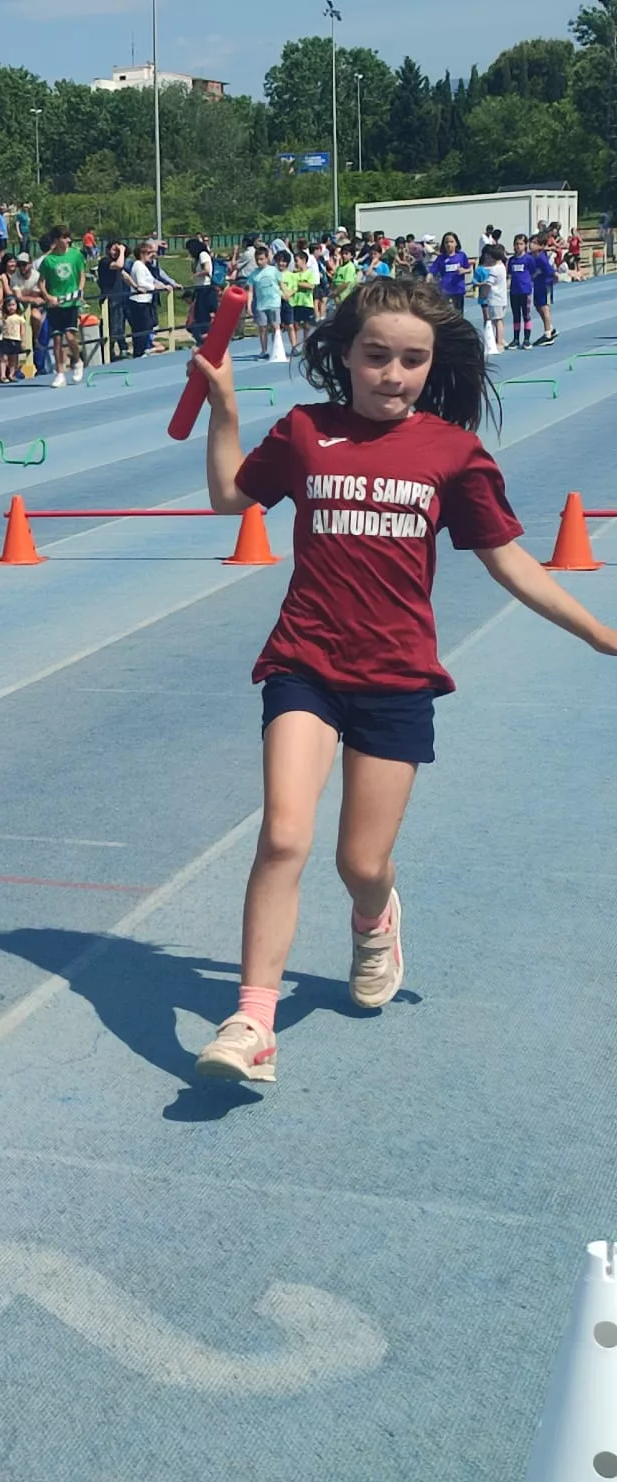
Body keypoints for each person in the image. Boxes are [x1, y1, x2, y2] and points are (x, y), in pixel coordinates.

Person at [186, 275, 617, 1086]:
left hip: (395, 677)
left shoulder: (452, 453)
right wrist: (226, 409)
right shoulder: (308, 432)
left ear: (432, 365)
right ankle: (253, 1021)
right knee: (283, 835)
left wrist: (598, 633)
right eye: (376, 355)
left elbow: (510, 560)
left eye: (412, 360)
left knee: (359, 862)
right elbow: (226, 497)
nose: (393, 373)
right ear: (343, 353)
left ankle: (373, 917)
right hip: (304, 663)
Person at [36, 225, 87, 387]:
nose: (67, 241)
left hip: (71, 302)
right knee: (57, 339)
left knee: (70, 336)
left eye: (68, 238)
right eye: (64, 238)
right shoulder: (48, 260)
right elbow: (41, 282)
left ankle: (77, 361)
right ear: (56, 240)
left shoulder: (75, 255)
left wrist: (79, 290)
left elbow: (81, 275)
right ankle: (60, 373)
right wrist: (48, 296)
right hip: (55, 303)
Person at [248, 245, 283, 361]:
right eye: (257, 259)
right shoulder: (253, 275)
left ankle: (276, 348)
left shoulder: (274, 271)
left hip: (274, 303)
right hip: (261, 305)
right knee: (262, 328)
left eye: (262, 259)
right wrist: (249, 305)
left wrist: (286, 294)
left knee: (275, 326)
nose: (259, 262)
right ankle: (263, 350)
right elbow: (251, 291)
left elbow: (281, 285)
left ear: (267, 258)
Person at [477, 243, 510, 354]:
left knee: (497, 321)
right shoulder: (502, 267)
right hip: (502, 298)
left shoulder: (494, 270)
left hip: (495, 298)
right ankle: (500, 339)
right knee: (498, 320)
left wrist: (483, 294)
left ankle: (499, 342)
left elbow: (489, 284)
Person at [506, 234, 537, 349]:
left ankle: (527, 339)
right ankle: (515, 339)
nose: (518, 246)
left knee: (526, 315)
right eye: (516, 244)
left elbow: (533, 271)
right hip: (514, 291)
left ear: (525, 245)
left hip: (525, 291)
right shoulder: (512, 260)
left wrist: (528, 282)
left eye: (521, 244)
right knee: (516, 315)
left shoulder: (528, 259)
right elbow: (509, 274)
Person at [429, 233, 470, 313]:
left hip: (458, 289)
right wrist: (428, 277)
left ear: (456, 243)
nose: (449, 244)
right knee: (446, 313)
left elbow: (469, 269)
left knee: (458, 314)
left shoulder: (461, 255)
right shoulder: (441, 258)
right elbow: (432, 271)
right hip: (445, 290)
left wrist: (464, 270)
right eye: (446, 242)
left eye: (451, 242)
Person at [530, 236, 558, 344]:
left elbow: (550, 271)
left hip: (545, 285)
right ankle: (550, 327)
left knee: (544, 307)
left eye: (534, 243)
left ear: (541, 246)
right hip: (537, 285)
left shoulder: (541, 258)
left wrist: (553, 279)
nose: (531, 245)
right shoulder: (531, 256)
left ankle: (548, 334)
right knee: (538, 306)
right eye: (531, 242)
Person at [0, 295, 28, 382]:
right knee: (3, 358)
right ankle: (2, 375)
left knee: (14, 358)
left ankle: (12, 374)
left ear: (17, 305)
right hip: (5, 339)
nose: (11, 307)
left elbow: (22, 331)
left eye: (13, 305)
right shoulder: (4, 317)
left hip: (15, 339)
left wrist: (23, 341)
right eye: (9, 305)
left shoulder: (20, 318)